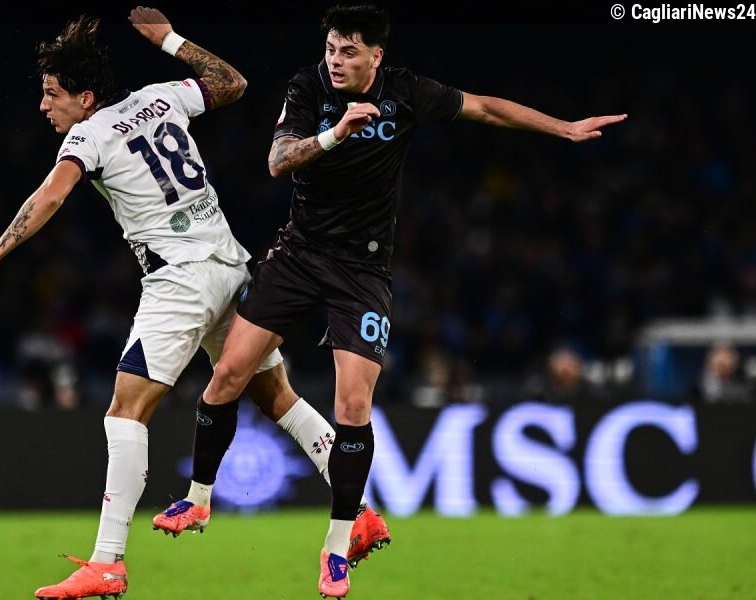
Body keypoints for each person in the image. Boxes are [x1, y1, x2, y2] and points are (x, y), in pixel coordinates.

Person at [162, 4, 628, 597]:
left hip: (362, 270)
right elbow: (278, 161)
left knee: (353, 405)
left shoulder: (406, 92)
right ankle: (198, 498)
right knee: (228, 373)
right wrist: (336, 132)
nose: (336, 61)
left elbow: (485, 108)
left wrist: (562, 128)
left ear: (376, 56)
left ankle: (337, 548)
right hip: (299, 254)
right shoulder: (308, 87)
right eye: (331, 48)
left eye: (349, 52)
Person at [0, 7, 387, 599]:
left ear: (84, 97)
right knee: (275, 395)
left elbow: (50, 196)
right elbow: (232, 83)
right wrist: (171, 40)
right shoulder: (159, 97)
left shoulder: (87, 135)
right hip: (231, 265)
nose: (44, 106)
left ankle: (107, 562)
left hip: (180, 284)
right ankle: (360, 512)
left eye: (51, 94)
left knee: (125, 411)